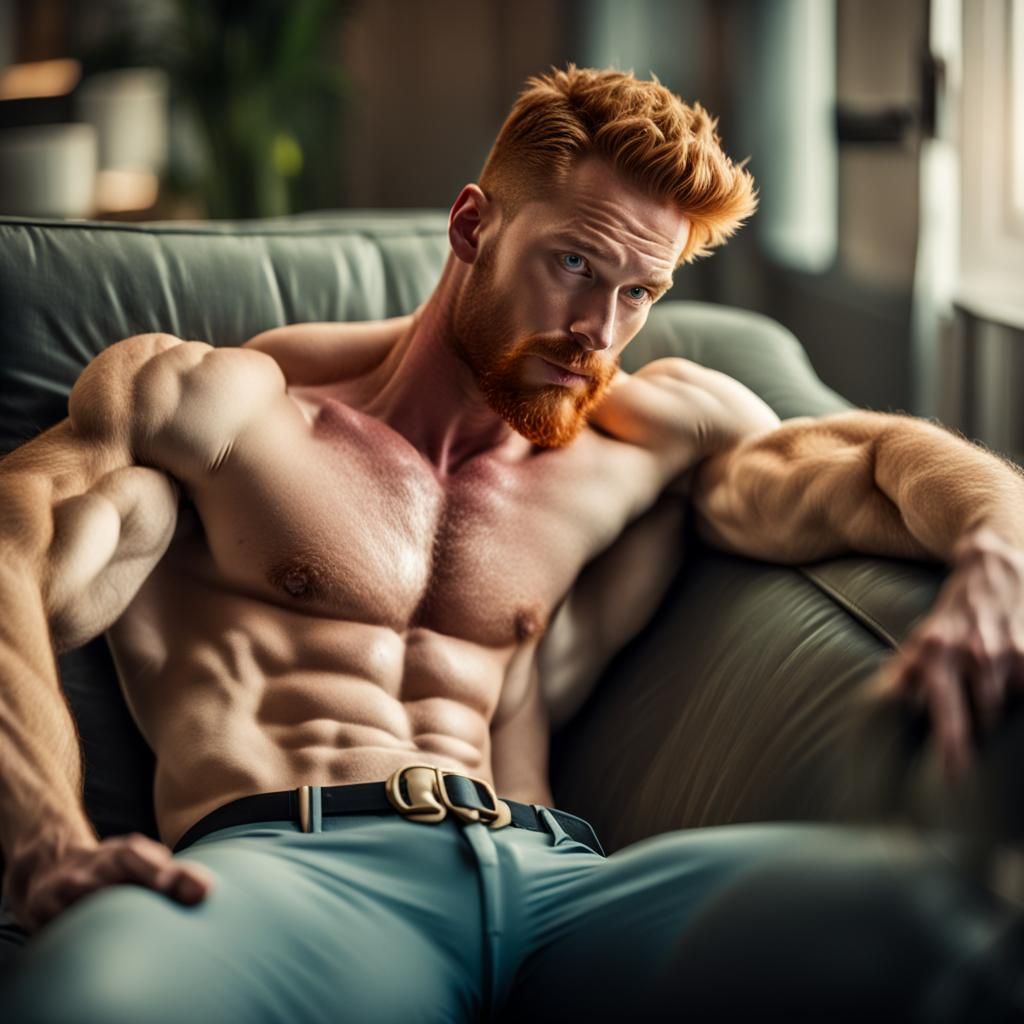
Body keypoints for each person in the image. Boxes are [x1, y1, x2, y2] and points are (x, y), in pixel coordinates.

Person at [0, 64, 1022, 1023]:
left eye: (639, 292)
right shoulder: (224, 408)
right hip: (294, 872)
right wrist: (46, 835)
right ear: (472, 226)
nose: (598, 332)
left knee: (946, 922)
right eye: (573, 264)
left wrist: (999, 552)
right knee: (93, 997)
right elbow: (13, 546)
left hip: (564, 887)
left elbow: (871, 464)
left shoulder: (644, 439)